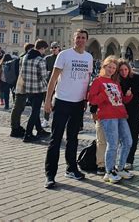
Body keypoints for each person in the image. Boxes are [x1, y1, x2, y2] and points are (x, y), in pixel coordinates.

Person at [44, 29, 93, 189]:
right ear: (73, 39)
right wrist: (47, 100)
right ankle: (50, 175)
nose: (80, 40)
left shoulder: (89, 57)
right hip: (62, 101)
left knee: (73, 138)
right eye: (77, 37)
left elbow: (87, 80)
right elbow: (53, 79)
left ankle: (71, 168)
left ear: (86, 40)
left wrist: (86, 100)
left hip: (78, 103)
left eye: (83, 38)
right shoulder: (64, 55)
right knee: (56, 138)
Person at [88, 56, 134, 183]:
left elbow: (120, 101)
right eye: (109, 67)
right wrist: (104, 95)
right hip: (108, 116)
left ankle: (120, 167)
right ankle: (109, 171)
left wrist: (128, 97)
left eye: (114, 68)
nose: (112, 70)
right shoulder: (98, 81)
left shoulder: (115, 83)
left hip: (120, 114)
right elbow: (91, 99)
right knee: (113, 144)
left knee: (128, 141)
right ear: (104, 66)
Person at [20, 40, 50, 142]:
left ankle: (39, 130)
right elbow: (43, 76)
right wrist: (48, 73)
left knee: (35, 110)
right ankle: (27, 134)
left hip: (28, 88)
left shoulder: (25, 57)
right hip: (38, 89)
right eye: (44, 49)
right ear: (41, 48)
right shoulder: (40, 60)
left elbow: (22, 73)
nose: (44, 51)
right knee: (35, 112)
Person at [118, 59, 139, 171]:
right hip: (121, 112)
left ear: (129, 69)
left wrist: (134, 91)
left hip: (134, 112)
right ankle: (121, 159)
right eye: (121, 70)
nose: (124, 72)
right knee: (123, 137)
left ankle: (130, 160)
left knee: (133, 135)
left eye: (126, 69)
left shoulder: (135, 78)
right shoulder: (116, 81)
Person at [10, 43, 34, 138]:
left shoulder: (22, 57)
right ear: (29, 49)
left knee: (19, 108)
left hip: (19, 85)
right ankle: (15, 129)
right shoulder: (24, 58)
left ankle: (16, 127)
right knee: (17, 108)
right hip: (20, 85)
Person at [42, 42, 61, 128]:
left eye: (55, 47)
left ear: (58, 48)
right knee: (47, 100)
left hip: (60, 83)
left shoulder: (61, 58)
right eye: (52, 47)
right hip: (49, 82)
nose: (54, 49)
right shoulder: (47, 58)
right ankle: (46, 119)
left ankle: (57, 120)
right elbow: (43, 70)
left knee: (58, 102)